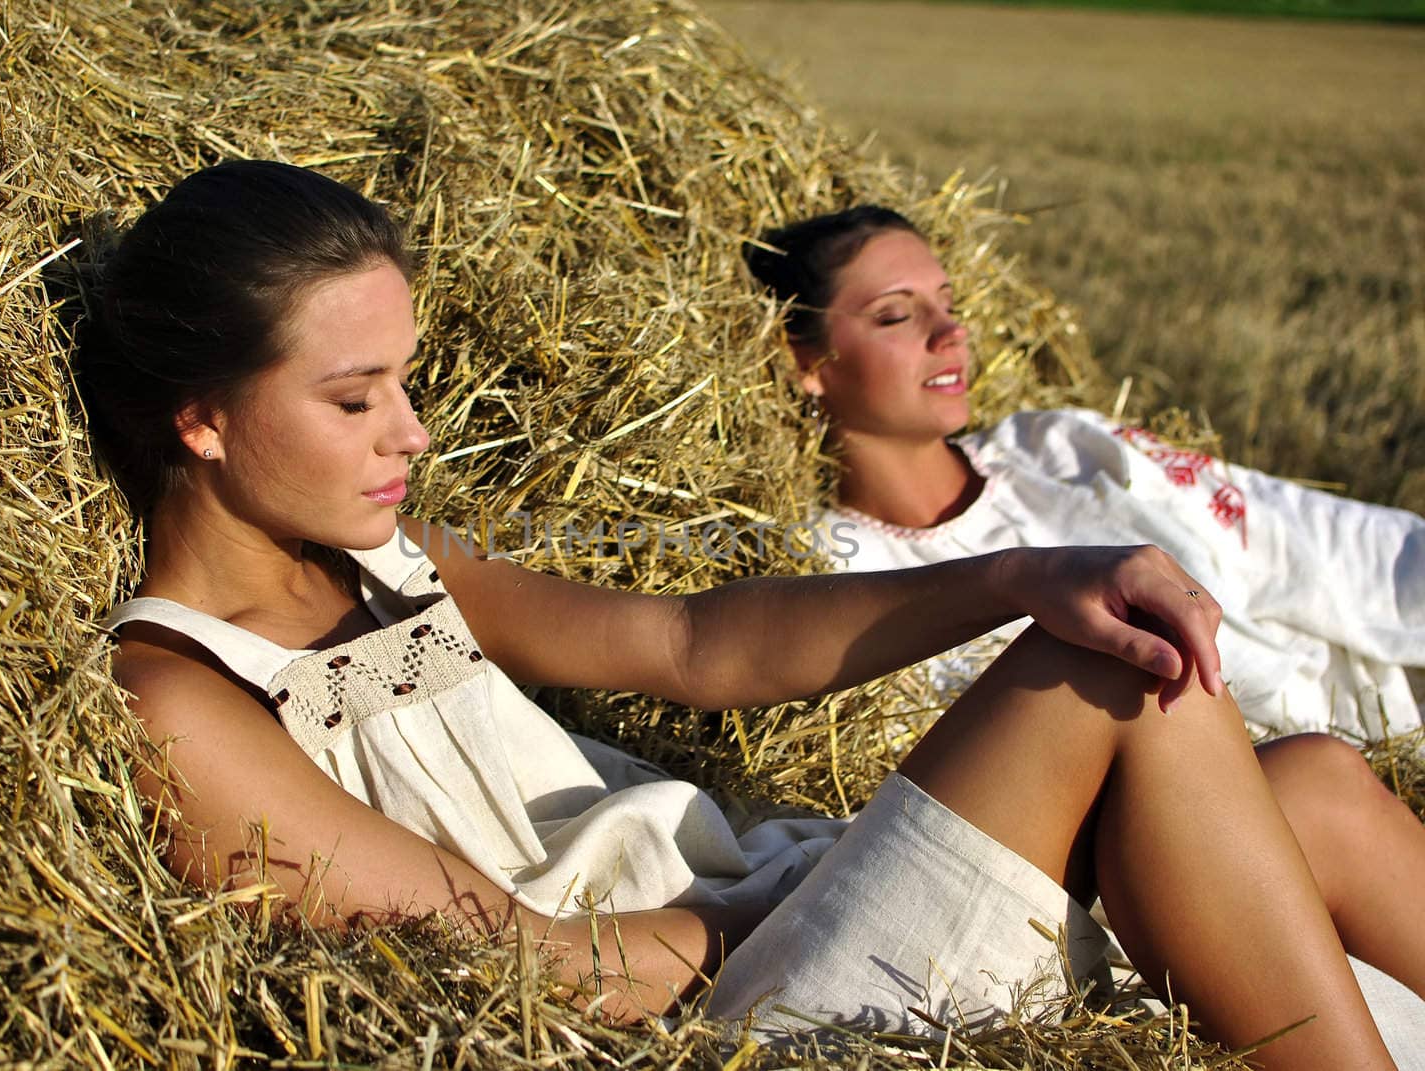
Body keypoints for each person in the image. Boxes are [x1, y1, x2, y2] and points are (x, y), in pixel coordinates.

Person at [76, 160, 1425, 1069]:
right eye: (356, 396)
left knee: (1307, 777)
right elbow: (524, 964)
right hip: (726, 1004)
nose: (412, 432)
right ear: (201, 416)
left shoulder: (400, 558)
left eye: (406, 382)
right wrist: (789, 887)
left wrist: (1013, 572)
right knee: (1103, 677)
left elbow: (692, 646)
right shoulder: (184, 697)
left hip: (777, 897)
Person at [744, 206, 1425, 742]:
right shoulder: (835, 578)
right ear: (805, 361)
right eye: (895, 314)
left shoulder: (1059, 446)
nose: (950, 332)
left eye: (948, 303)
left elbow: (1295, 530)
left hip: (1382, 723)